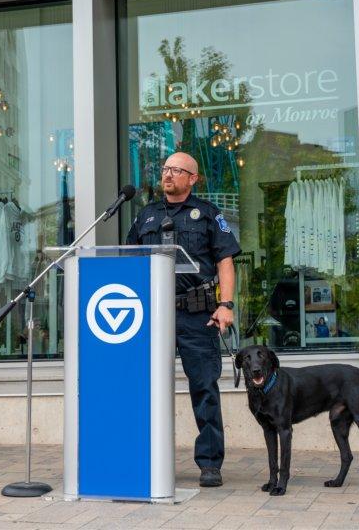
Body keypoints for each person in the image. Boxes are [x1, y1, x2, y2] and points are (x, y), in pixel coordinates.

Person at [126, 152, 241, 487]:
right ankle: (141, 456)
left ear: (193, 178)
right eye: (164, 169)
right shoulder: (146, 215)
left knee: (204, 388)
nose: (167, 175)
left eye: (176, 170)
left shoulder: (208, 214)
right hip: (151, 316)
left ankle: (209, 463)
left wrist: (226, 304)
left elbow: (225, 261)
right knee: (142, 387)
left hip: (196, 315)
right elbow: (130, 260)